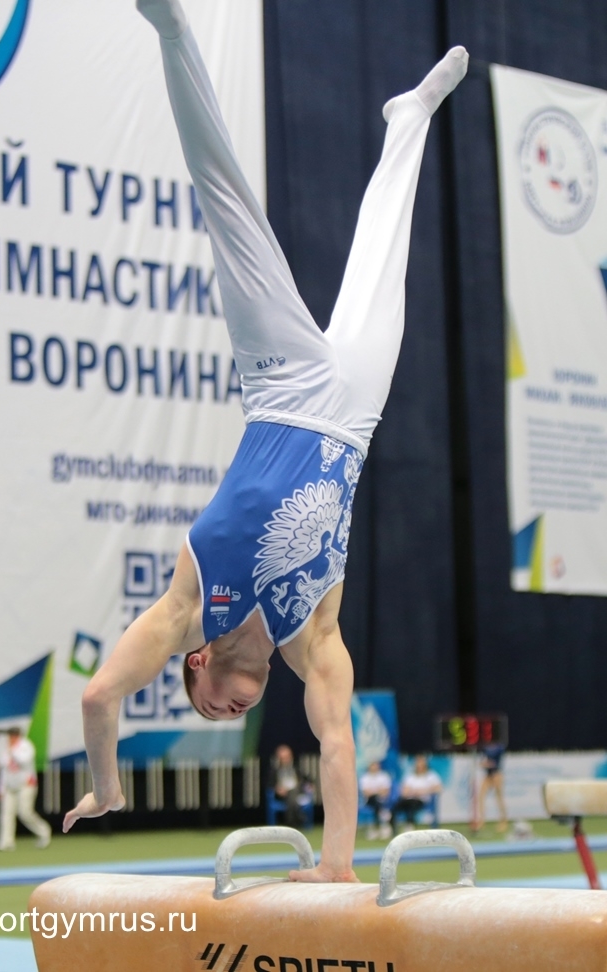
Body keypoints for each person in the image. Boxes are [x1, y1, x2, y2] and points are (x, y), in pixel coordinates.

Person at [63, 0, 468, 883]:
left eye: (206, 705)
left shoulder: (187, 607)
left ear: (196, 664)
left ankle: (172, 31)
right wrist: (336, 868)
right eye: (226, 717)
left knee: (228, 204)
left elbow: (98, 694)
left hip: (281, 387)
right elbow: (337, 743)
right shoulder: (313, 637)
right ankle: (411, 119)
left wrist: (106, 788)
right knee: (385, 259)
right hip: (353, 416)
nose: (223, 714)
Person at [0, 728, 52, 851]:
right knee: (6, 814)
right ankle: (6, 842)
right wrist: (0, 788)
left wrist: (12, 750)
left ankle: (44, 832)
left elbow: (23, 761)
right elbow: (3, 770)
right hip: (9, 786)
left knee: (25, 813)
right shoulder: (5, 748)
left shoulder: (26, 746)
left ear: (17, 736)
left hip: (26, 784)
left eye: (12, 736)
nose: (10, 739)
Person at [391, 754, 442, 833]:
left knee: (412, 805)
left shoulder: (431, 776)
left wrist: (424, 791)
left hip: (422, 800)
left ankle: (409, 825)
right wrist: (413, 792)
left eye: (421, 765)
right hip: (409, 799)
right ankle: (391, 829)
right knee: (395, 806)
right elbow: (404, 791)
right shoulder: (410, 777)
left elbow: (439, 788)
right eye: (418, 765)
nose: (419, 767)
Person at [268, 745, 314, 829]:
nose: (286, 760)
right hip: (282, 796)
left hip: (297, 792)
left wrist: (310, 786)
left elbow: (308, 779)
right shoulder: (274, 771)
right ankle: (298, 817)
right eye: (283, 758)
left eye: (287, 757)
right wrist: (278, 790)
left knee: (293, 792)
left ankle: (291, 822)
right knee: (292, 794)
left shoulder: (296, 769)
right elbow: (270, 784)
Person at [473, 744, 508, 833]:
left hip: (496, 774)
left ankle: (503, 821)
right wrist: (483, 764)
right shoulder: (485, 748)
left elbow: (493, 763)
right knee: (481, 796)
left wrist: (485, 764)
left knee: (499, 797)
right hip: (488, 774)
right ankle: (481, 821)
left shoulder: (499, 748)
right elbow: (483, 761)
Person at [359, 760, 393, 840]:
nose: (374, 767)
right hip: (368, 801)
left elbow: (386, 791)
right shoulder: (364, 778)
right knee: (374, 799)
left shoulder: (384, 776)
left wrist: (374, 791)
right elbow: (366, 793)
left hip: (382, 800)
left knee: (377, 801)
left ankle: (377, 828)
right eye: (372, 765)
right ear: (369, 767)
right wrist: (378, 791)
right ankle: (383, 820)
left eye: (376, 765)